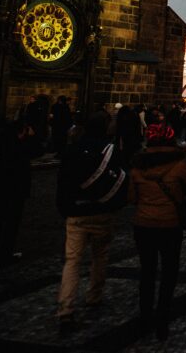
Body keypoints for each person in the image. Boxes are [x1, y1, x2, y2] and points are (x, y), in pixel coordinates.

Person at [56, 109, 128, 333]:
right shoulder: (112, 150)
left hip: (76, 213)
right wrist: (114, 205)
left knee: (72, 261)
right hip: (102, 211)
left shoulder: (71, 150)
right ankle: (94, 295)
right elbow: (121, 178)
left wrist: (65, 208)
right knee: (100, 256)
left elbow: (63, 182)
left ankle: (66, 308)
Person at [128, 123, 186, 340]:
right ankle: (162, 321)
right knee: (169, 273)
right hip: (170, 225)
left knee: (147, 272)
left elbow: (131, 199)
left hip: (143, 225)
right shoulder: (180, 166)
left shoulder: (137, 167)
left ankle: (145, 319)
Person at [0, 118, 41, 262]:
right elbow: (37, 151)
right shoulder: (19, 147)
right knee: (11, 223)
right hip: (16, 190)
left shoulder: (1, 144)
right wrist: (32, 137)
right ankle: (5, 252)